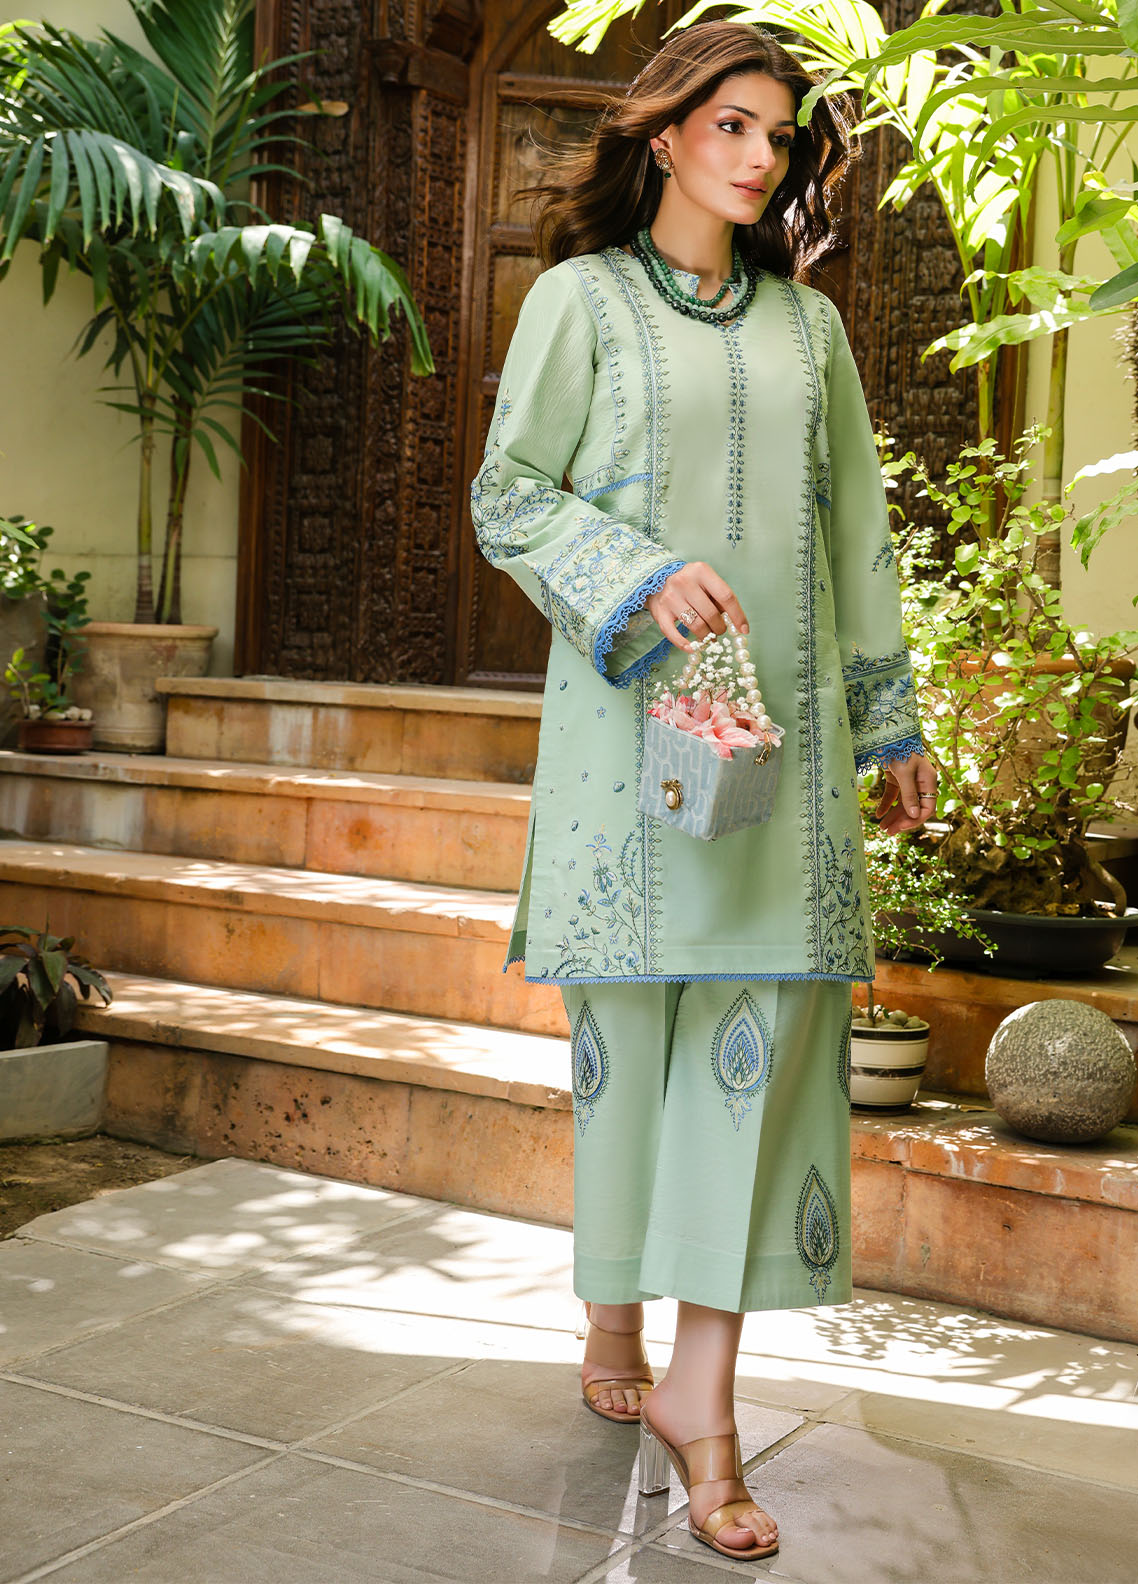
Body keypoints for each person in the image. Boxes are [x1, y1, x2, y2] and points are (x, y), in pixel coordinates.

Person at [469, 18, 938, 1564]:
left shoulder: (810, 332)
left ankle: (702, 1399)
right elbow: (507, 494)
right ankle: (610, 1312)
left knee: (755, 1068)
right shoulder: (580, 303)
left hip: (779, 759)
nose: (756, 155)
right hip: (628, 753)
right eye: (729, 124)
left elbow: (856, 535)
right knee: (624, 1056)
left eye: (776, 135)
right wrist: (635, 571)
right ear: (663, 134)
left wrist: (888, 726)